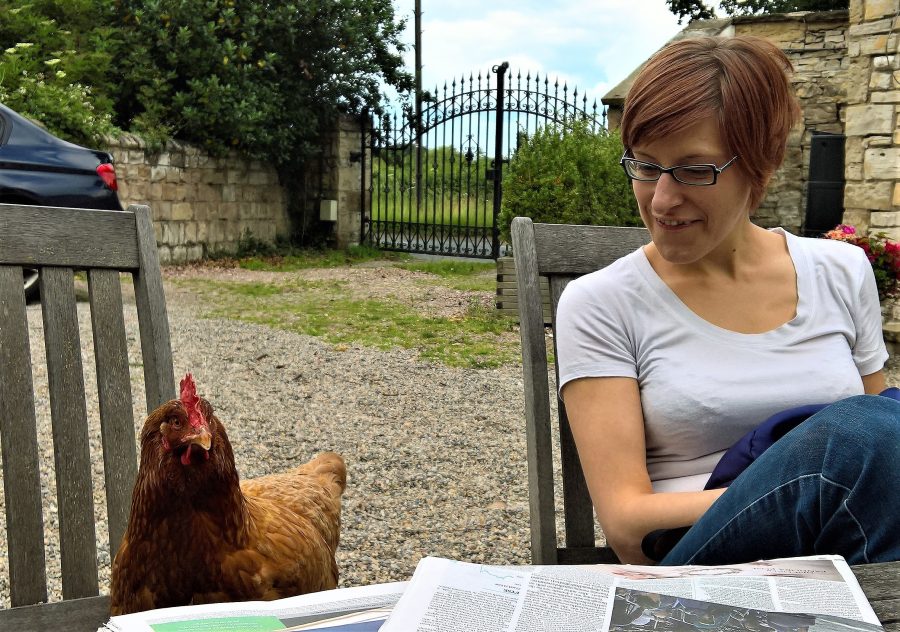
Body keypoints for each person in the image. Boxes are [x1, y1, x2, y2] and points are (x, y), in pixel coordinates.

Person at [555, 35, 899, 566]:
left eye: (696, 170)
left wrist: (834, 486)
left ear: (761, 167)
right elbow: (625, 524)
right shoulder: (602, 303)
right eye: (646, 166)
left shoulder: (841, 270)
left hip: (848, 545)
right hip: (697, 567)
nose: (663, 199)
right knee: (853, 440)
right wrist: (811, 488)